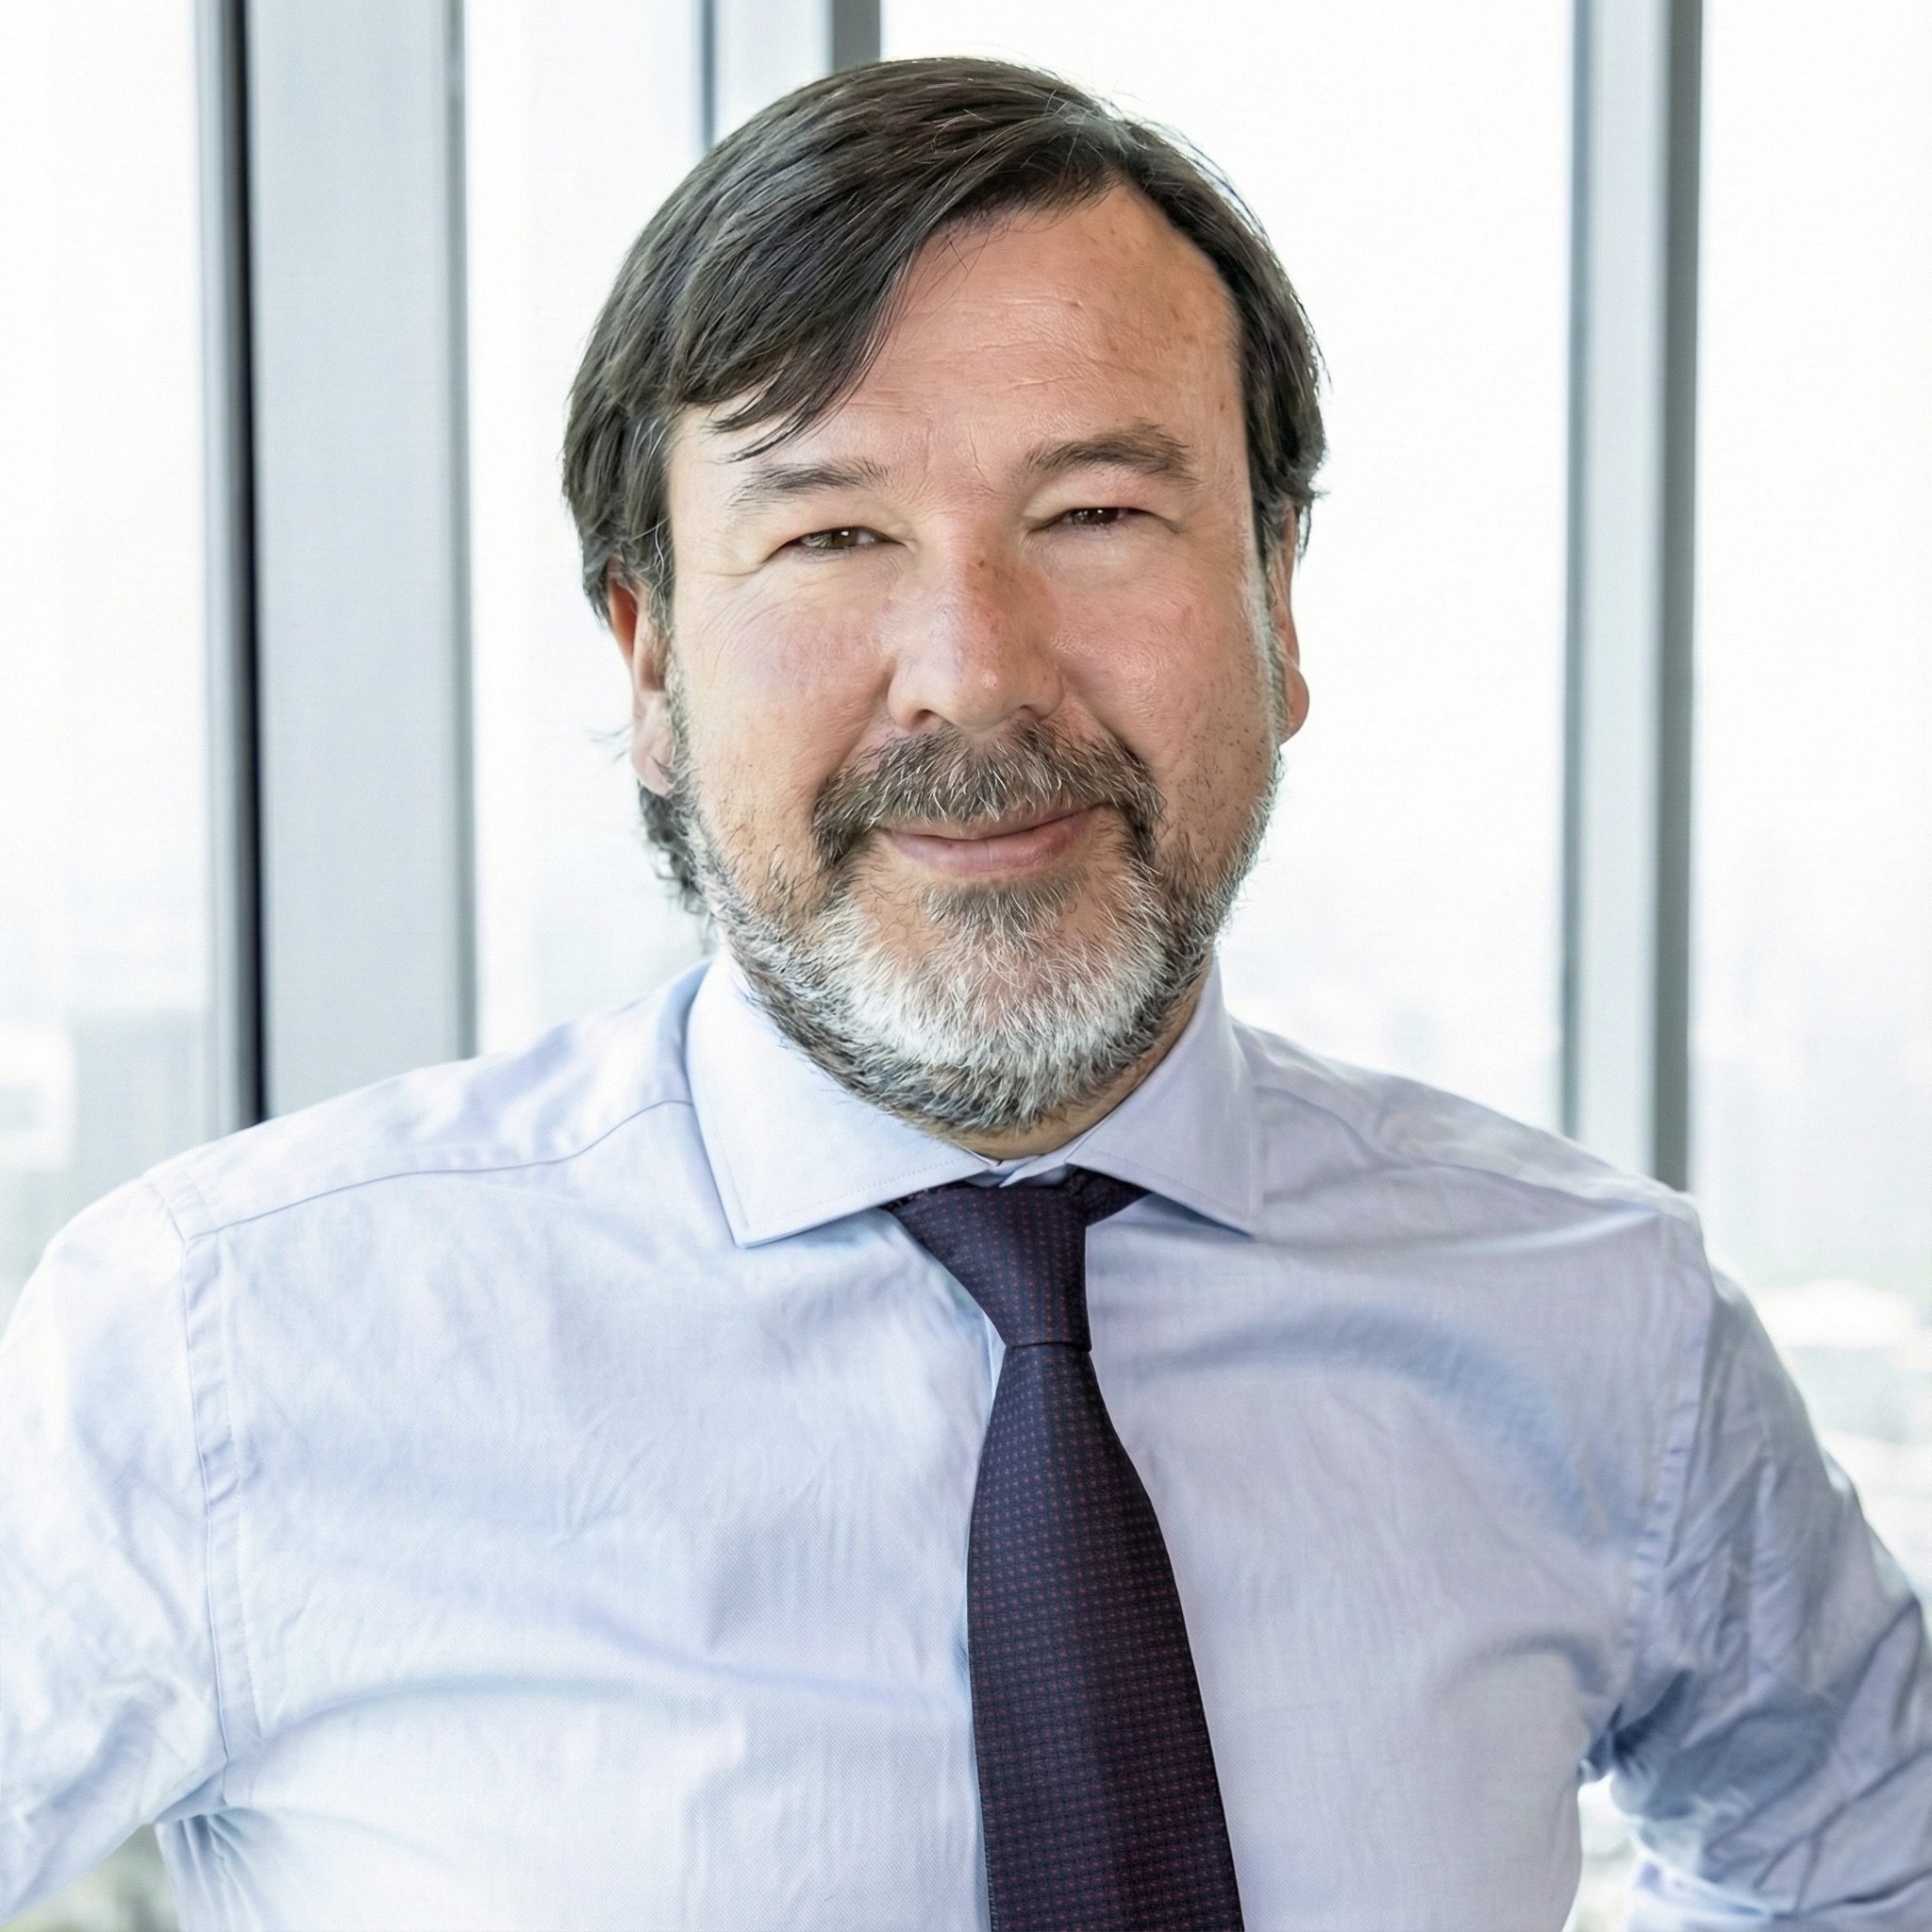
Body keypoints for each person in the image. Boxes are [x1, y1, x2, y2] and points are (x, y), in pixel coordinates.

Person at [3, 56, 1929, 1932]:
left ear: (1276, 592)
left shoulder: (1604, 1324)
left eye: (1094, 516)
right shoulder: (221, 1346)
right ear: (652, 662)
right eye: (832, 535)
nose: (972, 670)